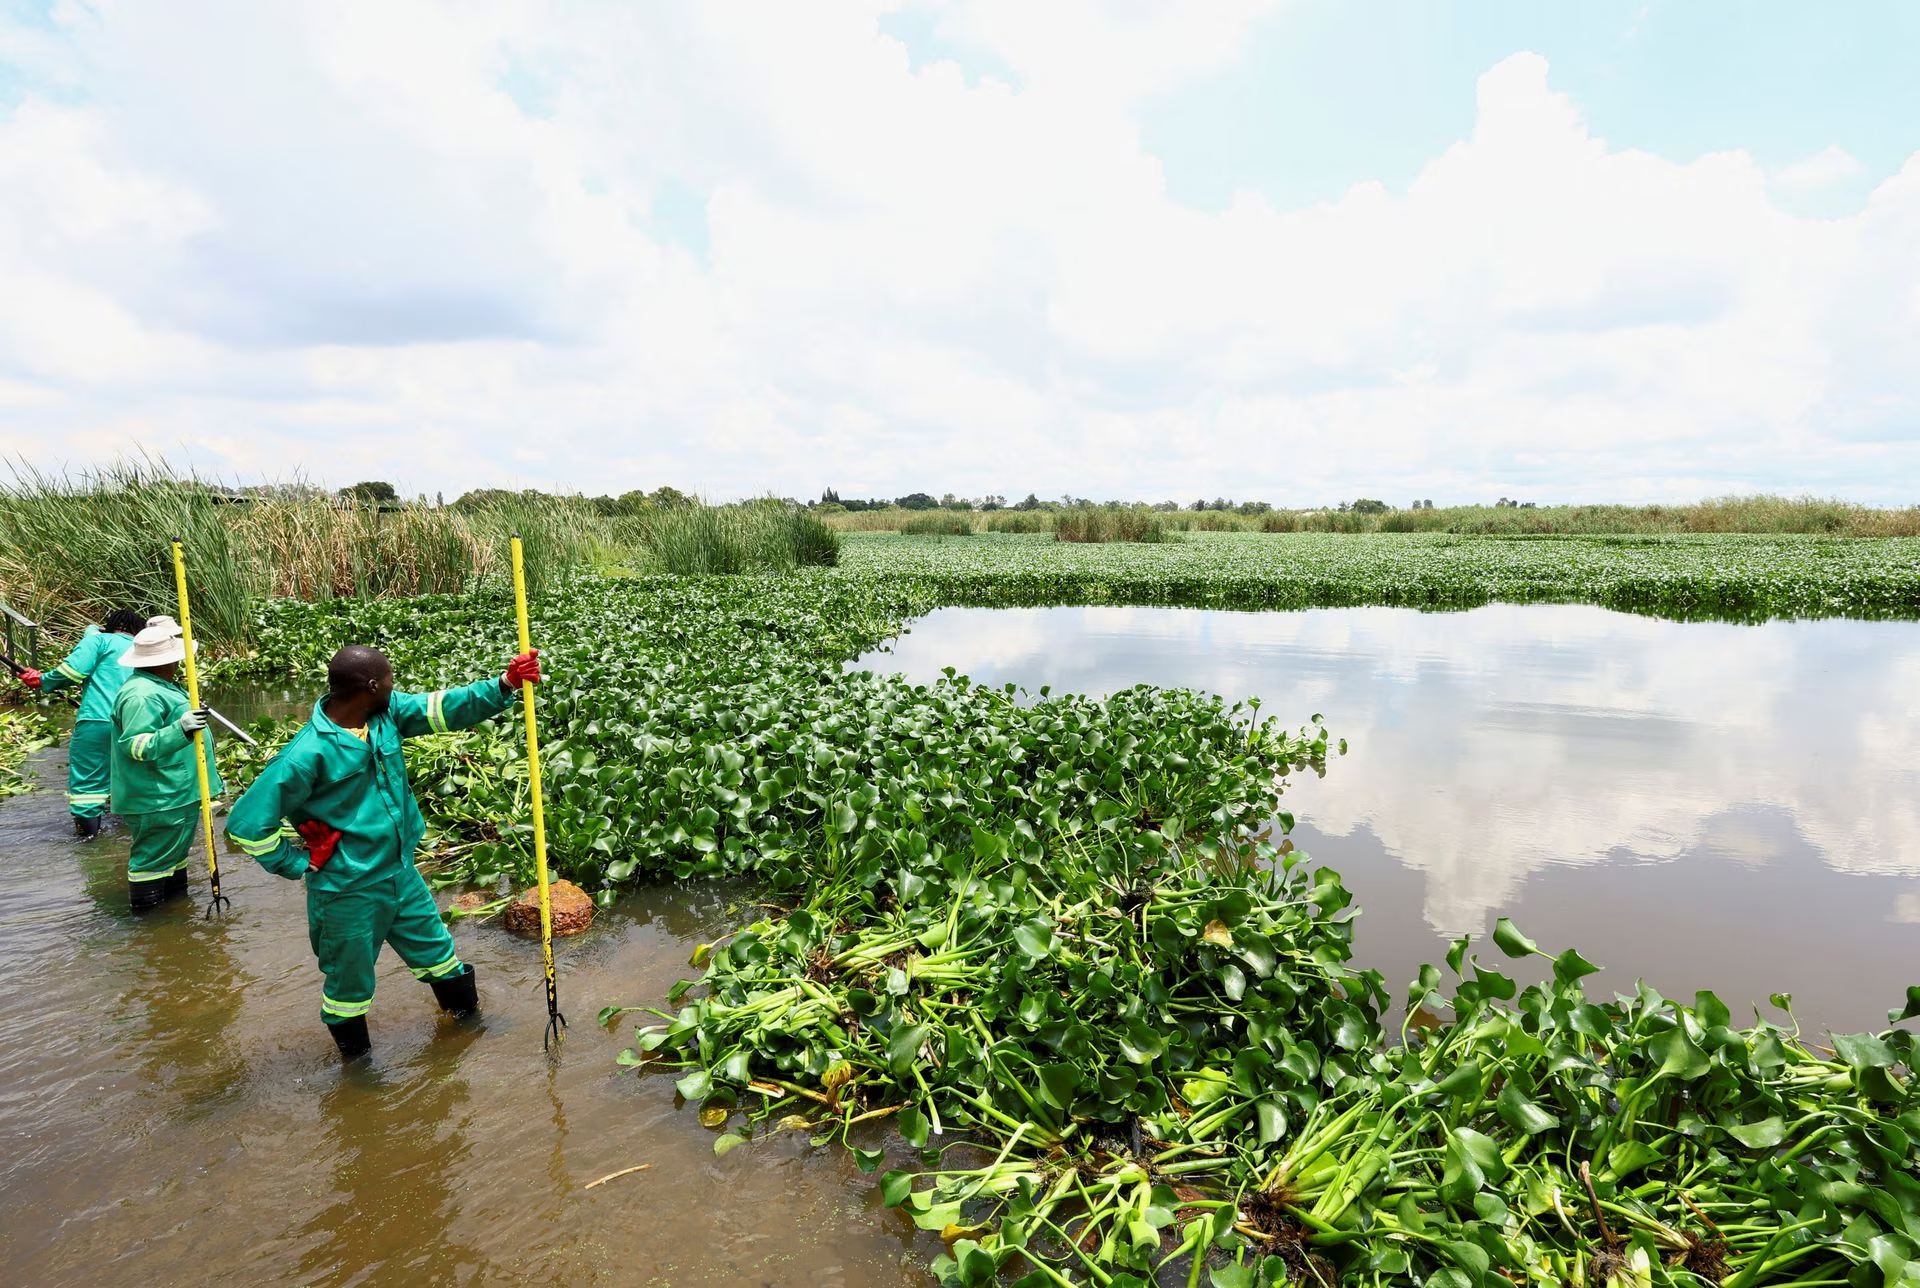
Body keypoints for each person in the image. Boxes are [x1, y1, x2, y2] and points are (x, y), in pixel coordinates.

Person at [225, 643, 541, 1061]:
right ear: (372, 686)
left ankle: (469, 1039)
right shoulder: (306, 754)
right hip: (348, 890)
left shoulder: (386, 716)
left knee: (440, 957)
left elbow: (445, 707)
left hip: (400, 873)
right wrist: (296, 862)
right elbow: (247, 824)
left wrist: (505, 684)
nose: (396, 684)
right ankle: (359, 1078)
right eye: (390, 678)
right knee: (348, 990)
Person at [111, 617, 221, 910]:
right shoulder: (141, 694)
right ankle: (150, 927)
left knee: (173, 861)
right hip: (158, 795)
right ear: (166, 660)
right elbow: (135, 746)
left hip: (177, 792)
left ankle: (174, 924)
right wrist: (181, 728)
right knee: (151, 862)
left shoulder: (160, 685)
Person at [18, 608, 147, 838]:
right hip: (136, 724)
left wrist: (42, 680)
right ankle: (133, 835)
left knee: (88, 785)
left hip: (97, 720)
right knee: (131, 778)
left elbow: (72, 671)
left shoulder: (99, 641)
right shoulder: (144, 650)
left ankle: (89, 841)